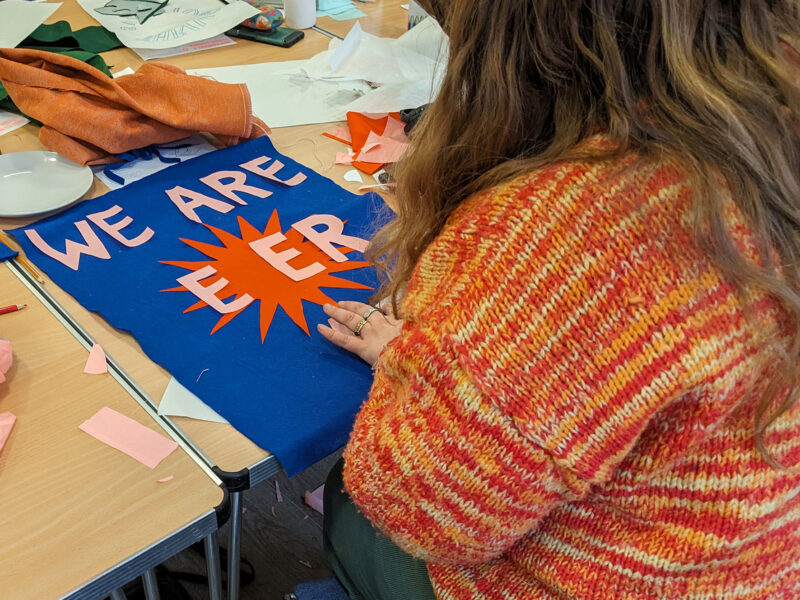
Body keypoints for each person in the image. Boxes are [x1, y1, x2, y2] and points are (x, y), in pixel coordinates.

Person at [316, 1, 800, 599]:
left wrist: (415, 361)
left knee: (345, 498)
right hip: (759, 562)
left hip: (607, 578)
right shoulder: (768, 124)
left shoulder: (580, 222)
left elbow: (424, 511)